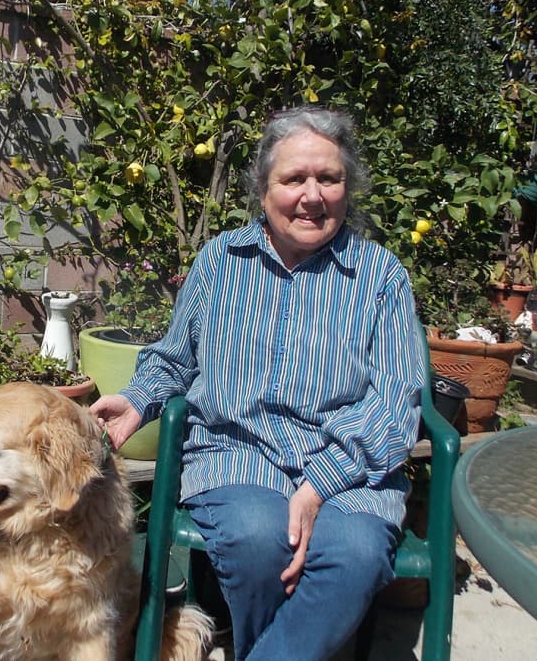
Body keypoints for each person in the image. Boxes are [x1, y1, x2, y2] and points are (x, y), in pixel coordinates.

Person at [90, 106, 426, 660]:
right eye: (294, 179)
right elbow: (175, 357)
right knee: (255, 541)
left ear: (347, 188)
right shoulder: (221, 261)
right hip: (237, 453)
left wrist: (320, 483)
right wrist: (137, 398)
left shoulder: (380, 275)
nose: (312, 196)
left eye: (329, 178)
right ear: (263, 191)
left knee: (357, 555)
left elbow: (395, 401)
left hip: (349, 467)